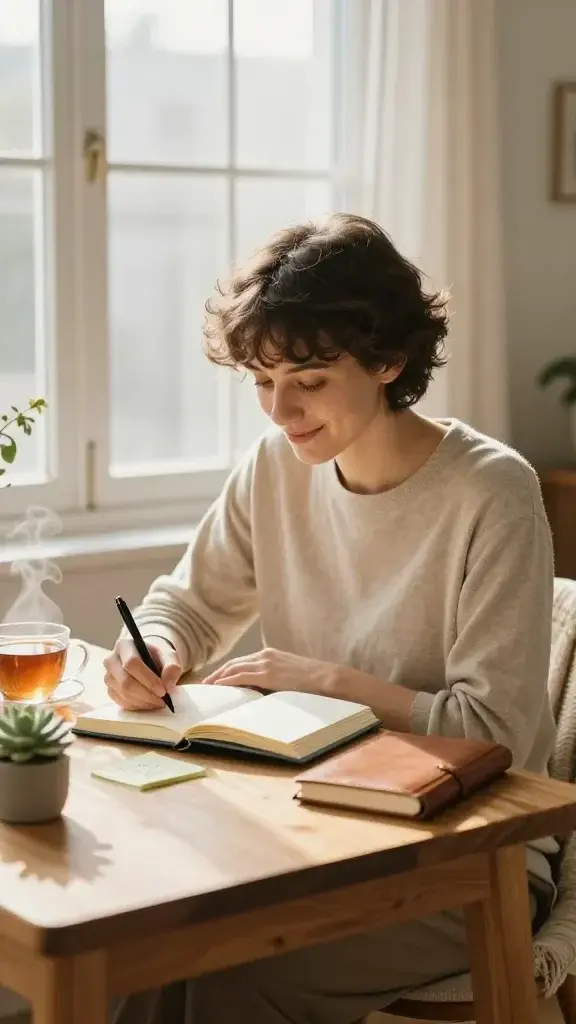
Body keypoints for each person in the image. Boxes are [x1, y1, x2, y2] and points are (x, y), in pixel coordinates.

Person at [108, 213, 557, 1024]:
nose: (280, 412)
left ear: (388, 360)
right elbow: (188, 603)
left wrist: (329, 683)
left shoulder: (493, 492)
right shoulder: (277, 465)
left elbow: (499, 734)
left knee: (223, 980)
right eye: (261, 381)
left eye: (309, 381)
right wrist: (155, 647)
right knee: (144, 956)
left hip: (470, 857)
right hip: (322, 834)